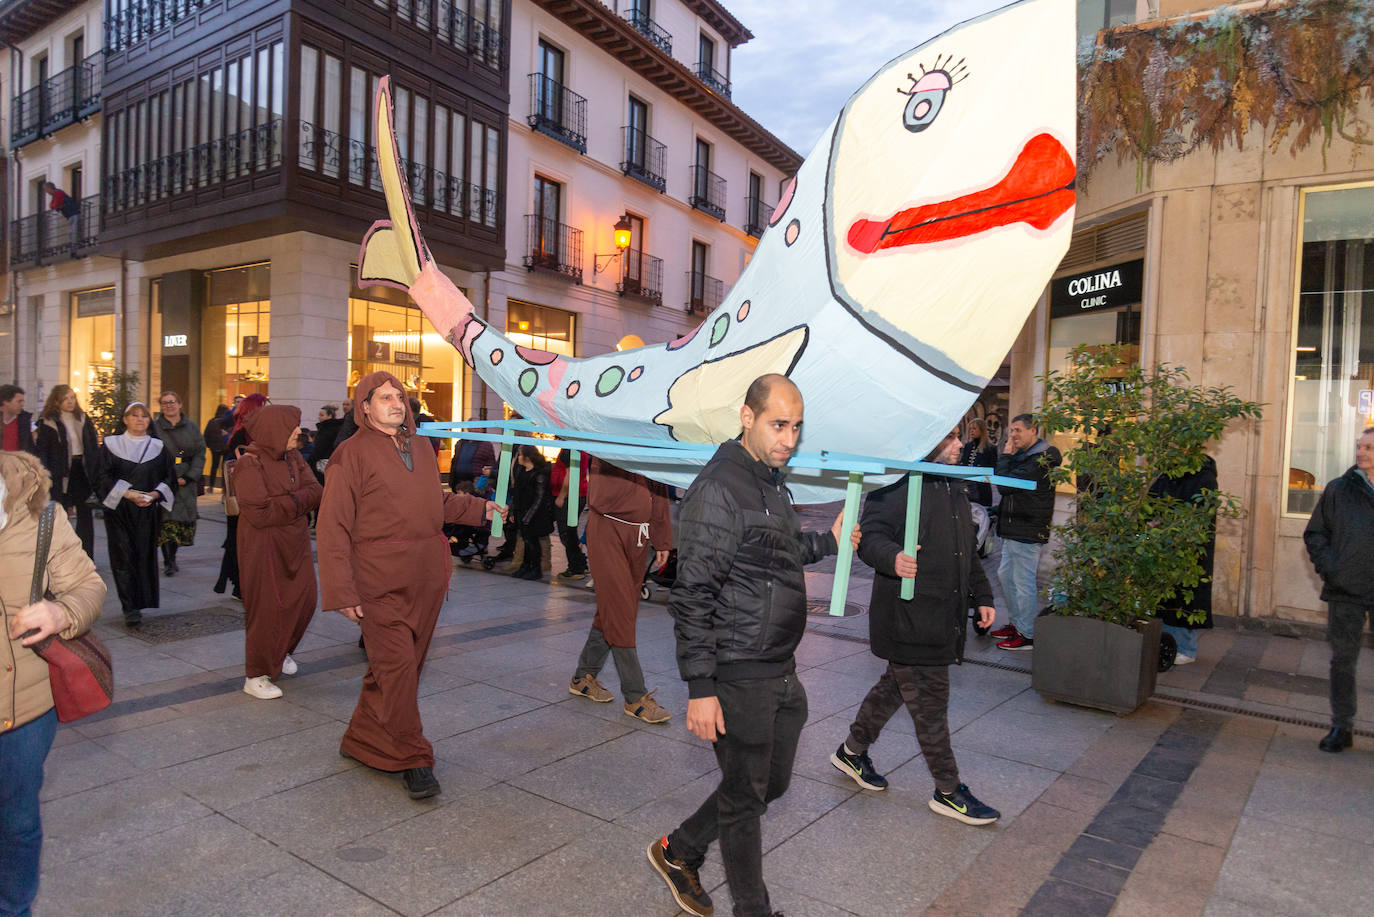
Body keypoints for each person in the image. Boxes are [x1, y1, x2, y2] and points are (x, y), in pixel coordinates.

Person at [648, 373, 859, 917]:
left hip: (778, 668)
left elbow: (776, 550)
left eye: (796, 426)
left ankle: (680, 849)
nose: (789, 438)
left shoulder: (767, 479)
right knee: (745, 800)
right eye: (778, 424)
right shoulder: (720, 487)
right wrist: (701, 688)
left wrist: (828, 541)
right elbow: (692, 594)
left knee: (770, 783)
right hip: (737, 667)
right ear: (747, 417)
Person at [316, 371, 505, 799]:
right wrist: (342, 590)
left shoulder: (421, 446)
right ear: (364, 407)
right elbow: (332, 527)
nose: (396, 403)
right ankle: (413, 757)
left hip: (426, 578)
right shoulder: (350, 454)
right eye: (384, 397)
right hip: (377, 581)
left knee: (399, 669)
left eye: (399, 396)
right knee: (398, 669)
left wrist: (481, 509)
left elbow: (435, 502)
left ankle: (363, 738)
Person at [829, 432, 1001, 826]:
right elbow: (870, 536)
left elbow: (965, 550)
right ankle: (949, 791)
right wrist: (894, 558)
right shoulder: (896, 482)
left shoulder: (951, 485)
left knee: (895, 688)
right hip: (908, 617)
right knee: (930, 704)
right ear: (928, 443)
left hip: (942, 615)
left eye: (959, 436)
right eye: (952, 437)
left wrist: (983, 595)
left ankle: (852, 752)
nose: (960, 444)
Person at [0, 451, 106, 917]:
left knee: (17, 822)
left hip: (21, 705)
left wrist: (61, 612)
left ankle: (13, 908)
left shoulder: (41, 513)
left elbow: (87, 586)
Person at [568, 456, 672, 723]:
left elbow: (660, 490)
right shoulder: (609, 440)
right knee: (621, 611)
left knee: (614, 609)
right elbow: (601, 495)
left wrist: (662, 540)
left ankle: (583, 677)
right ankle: (635, 696)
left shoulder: (650, 439)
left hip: (639, 536)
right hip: (607, 529)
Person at [231, 405, 323, 700]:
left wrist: (284, 502)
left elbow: (316, 492)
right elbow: (259, 513)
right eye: (292, 427)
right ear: (273, 430)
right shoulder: (249, 463)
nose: (299, 431)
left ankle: (281, 651)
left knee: (305, 599)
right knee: (268, 608)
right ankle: (256, 674)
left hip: (294, 540)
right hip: (263, 544)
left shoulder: (293, 456)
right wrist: (298, 504)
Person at [1303, 427, 1374, 754]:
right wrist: (1333, 568)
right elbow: (1315, 533)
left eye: (1369, 448)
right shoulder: (1338, 490)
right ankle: (1341, 727)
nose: (1361, 453)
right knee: (1343, 662)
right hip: (1346, 589)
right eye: (1360, 447)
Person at [94, 402, 176, 626]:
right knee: (122, 555)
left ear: (149, 421)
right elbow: (101, 478)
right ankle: (129, 606)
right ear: (125, 419)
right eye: (135, 415)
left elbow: (169, 477)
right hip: (120, 510)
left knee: (143, 555)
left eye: (144, 416)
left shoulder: (158, 447)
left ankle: (141, 601)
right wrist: (127, 494)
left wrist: (155, 494)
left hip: (147, 510)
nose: (140, 419)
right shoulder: (111, 445)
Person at [989, 413, 1062, 651]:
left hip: (1027, 528)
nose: (1013, 435)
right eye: (1011, 430)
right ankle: (1017, 624)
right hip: (1013, 526)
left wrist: (1006, 456)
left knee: (1023, 582)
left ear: (1034, 431)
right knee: (1006, 576)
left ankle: (1027, 634)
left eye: (1018, 430)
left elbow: (1005, 485)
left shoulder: (1041, 460)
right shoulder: (1026, 457)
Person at [1149, 455, 1219, 666]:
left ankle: (1185, 648)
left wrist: (1165, 523)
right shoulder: (1167, 475)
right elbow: (1150, 502)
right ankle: (1167, 645)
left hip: (1188, 550)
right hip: (1164, 547)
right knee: (1166, 598)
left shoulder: (1204, 478)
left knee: (1183, 597)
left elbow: (1199, 515)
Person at [34, 385, 99, 558]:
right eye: (66, 398)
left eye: (72, 397)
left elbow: (92, 446)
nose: (70, 402)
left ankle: (86, 556)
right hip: (60, 473)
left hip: (81, 470)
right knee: (59, 515)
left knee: (85, 515)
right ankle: (58, 558)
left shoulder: (83, 418)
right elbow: (43, 451)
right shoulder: (47, 421)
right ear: (57, 400)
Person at [215, 394, 268, 598]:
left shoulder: (245, 431)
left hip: (248, 497)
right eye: (264, 406)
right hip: (243, 498)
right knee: (240, 541)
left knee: (241, 541)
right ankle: (240, 584)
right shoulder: (243, 434)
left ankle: (242, 584)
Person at [151, 391, 204, 576]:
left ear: (180, 404)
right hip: (163, 479)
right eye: (164, 403)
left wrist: (190, 476)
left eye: (172, 402)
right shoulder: (155, 427)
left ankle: (172, 556)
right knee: (166, 521)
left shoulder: (192, 427)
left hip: (186, 480)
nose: (169, 406)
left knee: (180, 521)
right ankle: (168, 560)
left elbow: (200, 453)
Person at [511, 445, 554, 580]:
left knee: (533, 542)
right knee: (526, 540)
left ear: (527, 457)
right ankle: (525, 566)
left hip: (535, 515)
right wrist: (514, 511)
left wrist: (528, 517)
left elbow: (539, 498)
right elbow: (516, 492)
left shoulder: (539, 474)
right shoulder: (521, 471)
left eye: (520, 455)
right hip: (522, 511)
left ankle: (536, 569)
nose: (518, 458)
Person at [552, 448, 589, 579]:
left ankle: (576, 568)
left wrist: (561, 496)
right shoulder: (581, 448)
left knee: (566, 533)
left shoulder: (569, 449)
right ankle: (580, 563)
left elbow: (570, 474)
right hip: (578, 494)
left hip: (570, 496)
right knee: (570, 531)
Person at [958, 417, 998, 508]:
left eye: (974, 428)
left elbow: (993, 467)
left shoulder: (990, 448)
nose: (971, 431)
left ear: (982, 430)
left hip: (982, 487)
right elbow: (964, 463)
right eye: (970, 429)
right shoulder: (968, 446)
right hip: (967, 485)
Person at [203, 405, 233, 492]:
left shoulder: (212, 422)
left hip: (215, 448)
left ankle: (211, 486)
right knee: (224, 467)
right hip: (226, 448)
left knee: (214, 467)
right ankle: (224, 487)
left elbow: (206, 435)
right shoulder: (228, 423)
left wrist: (209, 445)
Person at [312, 403, 343, 483]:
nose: (319, 417)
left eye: (322, 415)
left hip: (324, 462)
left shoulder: (327, 429)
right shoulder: (335, 428)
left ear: (329, 416)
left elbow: (320, 448)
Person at [1, 384, 35, 455]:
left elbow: (34, 443)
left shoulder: (27, 419)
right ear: (6, 402)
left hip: (19, 463)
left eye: (23, 401)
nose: (22, 404)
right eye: (19, 401)